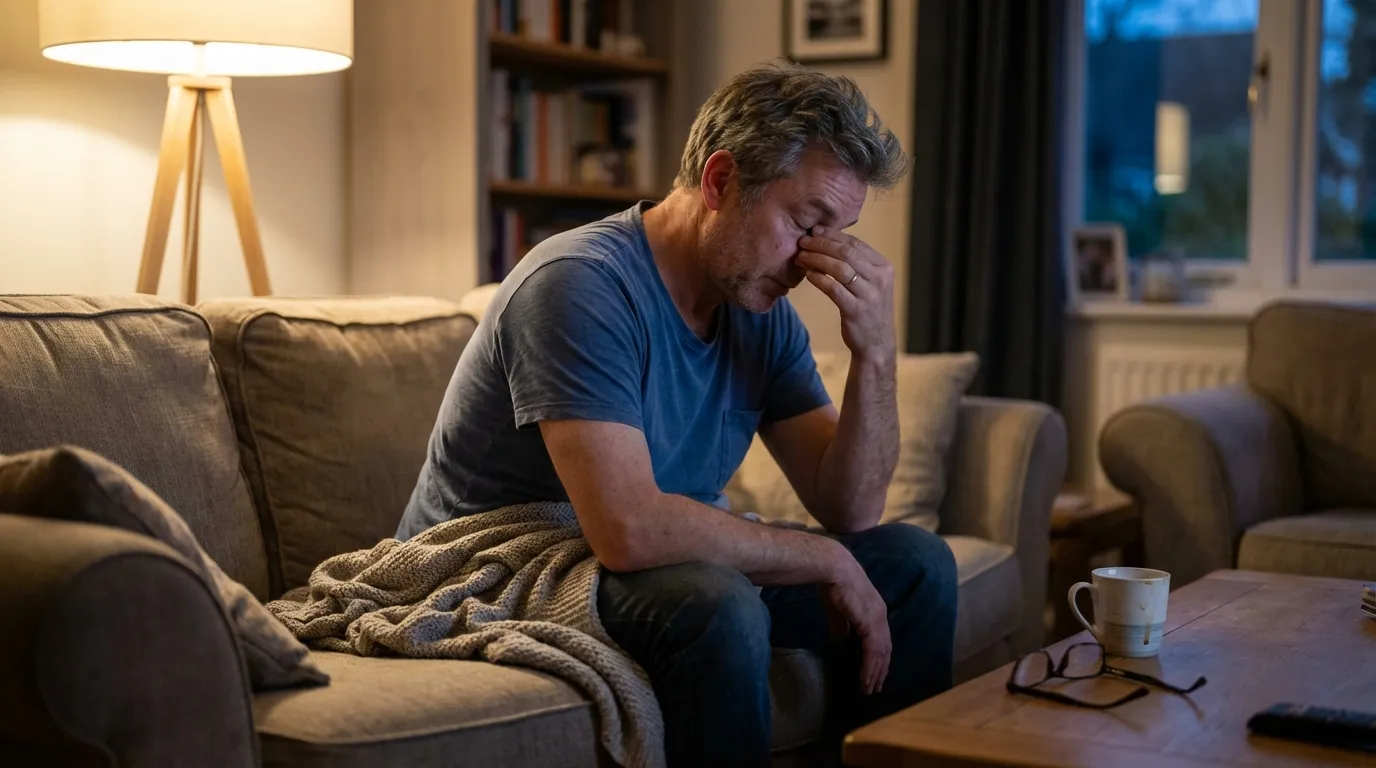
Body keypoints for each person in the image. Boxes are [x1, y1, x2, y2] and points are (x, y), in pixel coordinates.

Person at [396, 61, 958, 766]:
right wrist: (822, 558)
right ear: (721, 181)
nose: (813, 262)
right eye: (804, 224)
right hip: (505, 562)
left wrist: (876, 352)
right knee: (716, 601)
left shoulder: (760, 308)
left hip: (646, 559)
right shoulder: (578, 284)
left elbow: (851, 508)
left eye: (835, 233)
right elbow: (628, 529)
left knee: (914, 565)